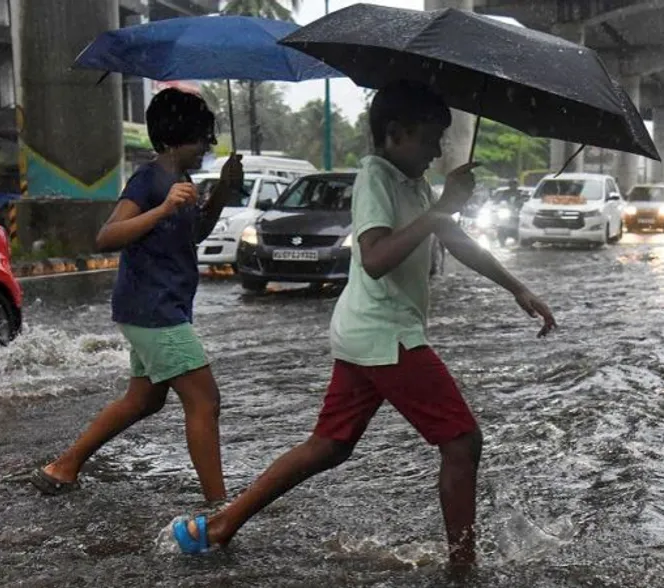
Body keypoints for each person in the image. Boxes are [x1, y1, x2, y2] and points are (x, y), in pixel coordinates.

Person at [167, 80, 557, 567]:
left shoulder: (411, 181)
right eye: (431, 138)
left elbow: (456, 240)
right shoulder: (376, 176)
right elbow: (374, 258)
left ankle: (221, 525)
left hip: (367, 332)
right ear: (396, 134)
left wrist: (517, 287)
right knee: (462, 443)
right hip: (385, 334)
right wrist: (439, 209)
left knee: (328, 445)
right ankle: (463, 567)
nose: (438, 151)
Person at [31, 89, 243, 503]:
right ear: (178, 136)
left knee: (143, 399)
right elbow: (107, 236)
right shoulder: (149, 180)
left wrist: (220, 193)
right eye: (203, 138)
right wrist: (162, 209)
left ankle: (63, 467)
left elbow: (193, 235)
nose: (208, 147)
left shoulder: (181, 182)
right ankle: (220, 508)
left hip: (157, 306)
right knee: (205, 401)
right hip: (154, 309)